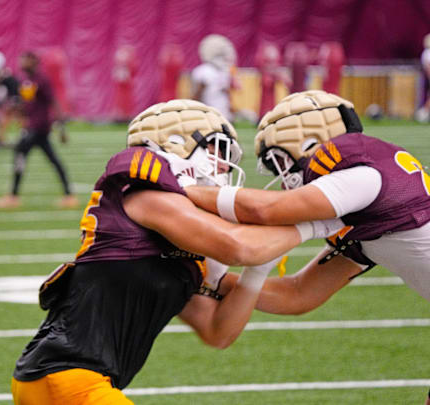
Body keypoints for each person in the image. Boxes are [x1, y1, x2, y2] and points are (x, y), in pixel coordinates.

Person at [10, 99, 343, 405]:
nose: (224, 166)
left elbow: (218, 332)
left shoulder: (179, 247)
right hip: (66, 376)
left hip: (65, 380)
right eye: (217, 150)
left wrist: (258, 272)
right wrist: (320, 219)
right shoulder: (146, 198)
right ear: (176, 145)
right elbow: (239, 246)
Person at [180, 90, 430, 403]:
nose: (283, 178)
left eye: (281, 162)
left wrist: (179, 190)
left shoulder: (364, 177)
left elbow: (264, 210)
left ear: (312, 143)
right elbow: (298, 294)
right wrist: (214, 281)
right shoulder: (363, 210)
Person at [0, 51, 78, 209]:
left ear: (34, 62)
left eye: (26, 59)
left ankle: (13, 196)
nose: (21, 62)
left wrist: (61, 128)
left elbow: (53, 101)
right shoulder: (26, 79)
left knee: (20, 153)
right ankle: (68, 194)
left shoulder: (42, 79)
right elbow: (27, 103)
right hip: (31, 126)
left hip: (39, 126)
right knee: (52, 159)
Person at [191, 34, 237, 121]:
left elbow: (198, 93)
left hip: (210, 112)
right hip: (221, 112)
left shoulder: (202, 71)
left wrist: (192, 107)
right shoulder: (225, 71)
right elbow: (226, 92)